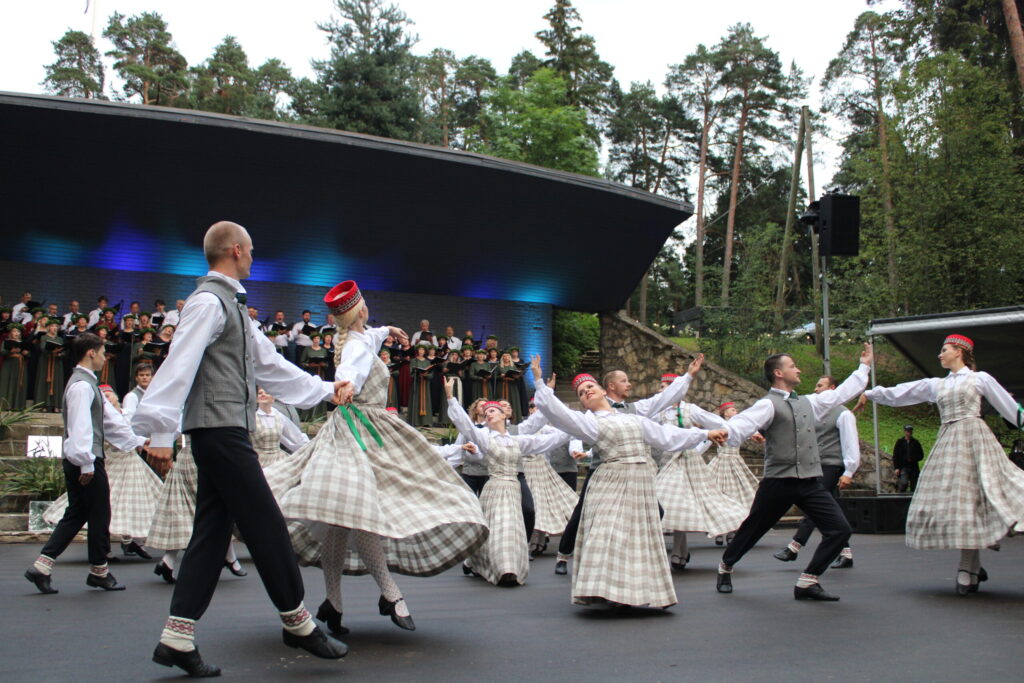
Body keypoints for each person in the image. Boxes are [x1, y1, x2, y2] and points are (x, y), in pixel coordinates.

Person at [132, 221, 349, 677]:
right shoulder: (208, 302)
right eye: (250, 249)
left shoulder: (232, 307)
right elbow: (179, 363)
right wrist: (160, 432)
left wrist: (326, 390)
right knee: (265, 521)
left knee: (212, 532)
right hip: (219, 430)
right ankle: (297, 621)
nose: (253, 256)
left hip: (224, 428)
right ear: (235, 250)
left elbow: (269, 365)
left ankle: (177, 637)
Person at [265, 280, 487, 633]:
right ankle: (390, 594)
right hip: (358, 429)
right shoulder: (354, 346)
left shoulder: (362, 337)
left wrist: (389, 330)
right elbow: (349, 372)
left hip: (365, 427)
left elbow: (369, 337)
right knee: (358, 512)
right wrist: (346, 386)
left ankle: (335, 603)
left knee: (342, 518)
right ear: (361, 310)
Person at [531, 357, 727, 608]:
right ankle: (593, 582)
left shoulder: (635, 416)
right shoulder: (589, 421)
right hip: (608, 479)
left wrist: (705, 432)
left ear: (603, 390)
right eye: (581, 393)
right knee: (604, 531)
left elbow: (667, 435)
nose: (586, 391)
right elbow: (559, 415)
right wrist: (539, 382)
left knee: (638, 535)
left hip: (639, 482)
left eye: (590, 387)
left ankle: (636, 589)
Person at [860, 334, 1024, 596]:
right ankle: (970, 567)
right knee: (960, 503)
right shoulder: (937, 384)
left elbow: (1009, 408)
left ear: (959, 352)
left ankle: (968, 567)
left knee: (976, 497)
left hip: (974, 439)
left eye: (944, 349)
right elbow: (903, 392)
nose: (939, 354)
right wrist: (869, 393)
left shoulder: (979, 379)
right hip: (949, 440)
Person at [716, 344, 872, 601]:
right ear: (778, 373)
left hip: (809, 480)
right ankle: (725, 566)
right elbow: (744, 422)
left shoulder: (809, 402)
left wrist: (863, 366)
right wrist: (726, 432)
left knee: (840, 529)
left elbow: (841, 394)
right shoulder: (768, 404)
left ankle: (807, 581)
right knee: (753, 528)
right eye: (792, 366)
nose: (798, 370)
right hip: (779, 481)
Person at [25, 333, 148, 596]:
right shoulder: (82, 386)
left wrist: (137, 441)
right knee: (100, 513)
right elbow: (80, 426)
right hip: (85, 459)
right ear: (91, 352)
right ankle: (99, 571)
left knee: (77, 513)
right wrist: (87, 464)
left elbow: (108, 421)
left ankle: (41, 566)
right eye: (102, 352)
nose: (105, 358)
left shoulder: (88, 384)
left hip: (81, 459)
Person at [553, 362, 704, 575]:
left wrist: (687, 376)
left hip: (633, 471)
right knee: (582, 511)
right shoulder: (593, 411)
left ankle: (631, 551)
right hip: (603, 470)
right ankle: (563, 555)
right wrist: (576, 449)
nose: (629, 384)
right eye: (624, 381)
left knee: (656, 510)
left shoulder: (634, 410)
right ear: (611, 386)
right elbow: (575, 431)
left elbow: (663, 399)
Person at [446, 381, 569, 586]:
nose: (488, 414)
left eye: (493, 410)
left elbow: (548, 441)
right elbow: (465, 425)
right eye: (486, 413)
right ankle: (489, 564)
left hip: (513, 488)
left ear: (504, 415)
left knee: (511, 528)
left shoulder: (518, 439)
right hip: (494, 488)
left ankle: (509, 567)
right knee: (497, 528)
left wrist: (571, 427)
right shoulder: (485, 437)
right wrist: (451, 399)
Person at [44, 383, 161, 560]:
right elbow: (107, 434)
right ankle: (103, 554)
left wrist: (141, 441)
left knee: (129, 502)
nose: (107, 398)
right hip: (111, 463)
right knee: (105, 505)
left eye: (109, 394)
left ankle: (127, 541)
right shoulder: (98, 413)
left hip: (130, 464)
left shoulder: (124, 414)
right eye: (104, 395)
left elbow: (127, 432)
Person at [653, 382, 745, 571]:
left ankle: (680, 550)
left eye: (665, 386)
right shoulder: (658, 413)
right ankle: (677, 551)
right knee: (673, 502)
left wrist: (744, 431)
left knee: (688, 502)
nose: (661, 390)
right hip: (669, 461)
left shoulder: (690, 410)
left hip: (689, 461)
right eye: (661, 387)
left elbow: (716, 422)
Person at [773, 374, 862, 569]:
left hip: (832, 465)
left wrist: (849, 471)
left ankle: (794, 546)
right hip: (817, 465)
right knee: (831, 509)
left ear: (832, 389)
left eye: (820, 385)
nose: (816, 389)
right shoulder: (813, 412)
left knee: (815, 506)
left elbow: (850, 443)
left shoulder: (844, 414)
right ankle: (846, 553)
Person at [705, 401, 761, 545]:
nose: (735, 411)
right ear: (725, 413)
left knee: (736, 495)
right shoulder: (719, 426)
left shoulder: (739, 426)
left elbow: (748, 431)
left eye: (735, 410)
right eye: (732, 409)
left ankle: (732, 531)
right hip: (721, 462)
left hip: (735, 462)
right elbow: (707, 441)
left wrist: (756, 435)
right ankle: (719, 530)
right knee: (718, 496)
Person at [251, 387, 308, 467]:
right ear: (257, 398)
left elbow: (296, 437)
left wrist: (310, 449)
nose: (263, 394)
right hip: (258, 459)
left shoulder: (278, 416)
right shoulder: (252, 417)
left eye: (267, 393)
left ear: (274, 397)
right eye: (260, 393)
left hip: (278, 459)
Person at [33, 318, 65, 412]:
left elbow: (64, 351)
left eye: (56, 326)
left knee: (56, 382)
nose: (54, 328)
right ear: (48, 327)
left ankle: (56, 405)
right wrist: (51, 351)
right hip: (46, 361)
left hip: (56, 362)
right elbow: (43, 348)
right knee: (44, 381)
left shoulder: (60, 339)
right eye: (52, 326)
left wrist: (60, 353)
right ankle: (43, 405)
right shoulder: (44, 337)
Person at [0, 324, 29, 410]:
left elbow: (28, 354)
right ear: (11, 333)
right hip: (9, 365)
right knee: (8, 383)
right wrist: (10, 351)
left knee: (18, 384)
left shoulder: (23, 342)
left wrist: (25, 353)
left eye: (18, 331)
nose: (16, 333)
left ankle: (18, 405)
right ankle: (5, 405)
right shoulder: (6, 342)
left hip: (20, 365)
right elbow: (2, 352)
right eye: (14, 331)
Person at [407, 343, 435, 427]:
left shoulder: (428, 362)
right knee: (416, 400)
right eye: (420, 349)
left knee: (426, 401)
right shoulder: (413, 361)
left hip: (425, 384)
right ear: (417, 351)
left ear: (425, 351)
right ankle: (415, 421)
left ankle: (425, 422)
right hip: (417, 383)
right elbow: (411, 374)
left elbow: (431, 375)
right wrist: (417, 373)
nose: (421, 351)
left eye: (423, 350)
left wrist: (426, 375)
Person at [892, 425, 924, 493]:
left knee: (914, 486)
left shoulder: (916, 442)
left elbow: (921, 455)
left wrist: (913, 458)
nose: (909, 433)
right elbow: (895, 456)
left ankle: (912, 497)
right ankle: (901, 495)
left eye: (910, 431)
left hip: (914, 467)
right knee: (904, 483)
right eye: (907, 431)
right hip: (903, 466)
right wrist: (896, 468)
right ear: (905, 432)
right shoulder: (900, 442)